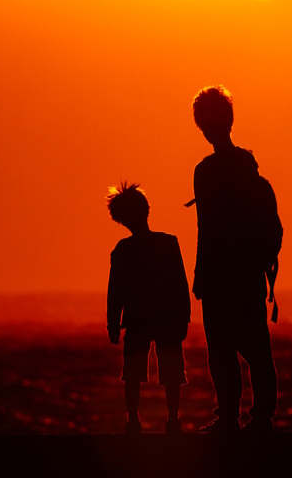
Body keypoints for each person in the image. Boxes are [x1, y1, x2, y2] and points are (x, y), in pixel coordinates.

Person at [191, 85, 279, 435]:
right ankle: (261, 419)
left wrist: (199, 274)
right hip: (248, 273)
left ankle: (230, 417)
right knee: (256, 347)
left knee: (223, 351)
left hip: (220, 275)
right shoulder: (248, 168)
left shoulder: (206, 171)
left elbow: (206, 228)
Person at [106, 182, 191, 435]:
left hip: (139, 319)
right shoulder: (167, 243)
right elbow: (180, 284)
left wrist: (113, 323)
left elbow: (115, 292)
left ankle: (135, 421)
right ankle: (172, 420)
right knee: (169, 371)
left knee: (136, 373)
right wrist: (184, 317)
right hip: (163, 318)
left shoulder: (124, 250)